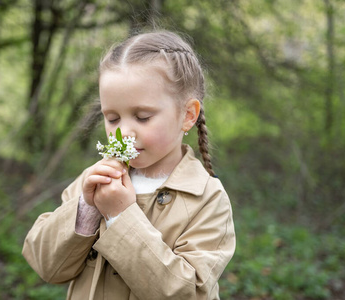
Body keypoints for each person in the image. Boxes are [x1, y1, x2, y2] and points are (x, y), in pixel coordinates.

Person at [22, 30, 236, 300]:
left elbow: (187, 293)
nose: (123, 133)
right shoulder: (94, 180)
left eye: (143, 117)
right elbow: (47, 267)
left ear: (187, 115)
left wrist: (120, 216)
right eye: (112, 119)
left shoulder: (207, 198)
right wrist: (87, 208)